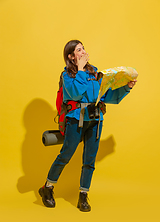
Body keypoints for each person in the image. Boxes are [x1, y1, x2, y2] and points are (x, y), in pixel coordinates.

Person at [39, 40, 137, 212]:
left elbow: (106, 95)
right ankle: (47, 188)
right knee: (66, 155)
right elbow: (75, 92)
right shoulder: (67, 75)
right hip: (75, 119)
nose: (83, 51)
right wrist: (81, 70)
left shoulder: (95, 73)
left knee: (89, 160)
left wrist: (126, 88)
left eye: (83, 48)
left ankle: (83, 196)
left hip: (95, 120)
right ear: (71, 56)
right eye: (79, 50)